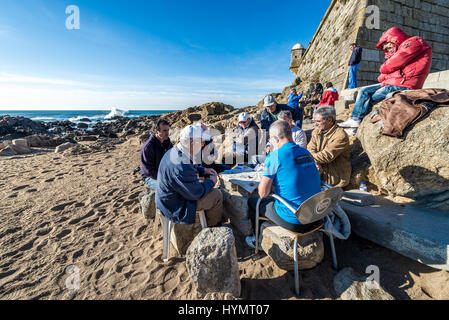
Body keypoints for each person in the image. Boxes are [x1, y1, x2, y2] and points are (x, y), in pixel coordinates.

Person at [245, 120, 322, 248]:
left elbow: (263, 193)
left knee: (254, 201)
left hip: (295, 220)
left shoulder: (274, 156)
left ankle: (256, 240)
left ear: (275, 139)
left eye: (270, 139)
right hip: (317, 215)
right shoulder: (306, 152)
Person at [340, 27, 432, 128]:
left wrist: (384, 67)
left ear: (393, 38)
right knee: (364, 92)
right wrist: (386, 69)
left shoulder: (415, 41)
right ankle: (356, 121)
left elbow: (394, 62)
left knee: (368, 98)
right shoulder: (400, 50)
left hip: (405, 84)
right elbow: (384, 75)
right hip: (397, 82)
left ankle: (356, 121)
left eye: (386, 44)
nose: (385, 48)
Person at [156, 124, 223, 226]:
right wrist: (211, 182)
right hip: (175, 206)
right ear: (192, 143)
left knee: (205, 184)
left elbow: (190, 169)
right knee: (217, 195)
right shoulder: (182, 165)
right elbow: (196, 193)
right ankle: (213, 227)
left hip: (166, 198)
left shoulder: (176, 150)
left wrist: (203, 170)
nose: (203, 144)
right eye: (201, 141)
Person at [308, 106, 351, 188]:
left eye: (318, 121)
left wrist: (310, 159)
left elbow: (326, 156)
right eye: (315, 121)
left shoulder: (340, 136)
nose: (315, 124)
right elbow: (310, 148)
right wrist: (315, 162)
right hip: (320, 173)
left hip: (335, 178)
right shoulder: (316, 131)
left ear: (330, 120)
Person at [140, 118, 173, 190]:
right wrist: (165, 177)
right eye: (164, 130)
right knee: (167, 188)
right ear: (156, 131)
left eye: (168, 130)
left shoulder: (167, 142)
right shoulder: (148, 147)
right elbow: (149, 171)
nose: (167, 133)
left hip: (165, 173)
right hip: (150, 177)